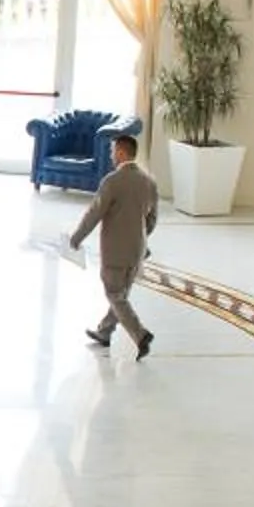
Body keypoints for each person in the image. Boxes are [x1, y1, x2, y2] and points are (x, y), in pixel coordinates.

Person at [70, 133, 158, 358]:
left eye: (112, 151)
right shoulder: (149, 182)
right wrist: (140, 238)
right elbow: (152, 219)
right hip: (137, 251)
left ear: (120, 152)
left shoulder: (112, 181)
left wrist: (76, 238)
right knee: (121, 295)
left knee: (114, 295)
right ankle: (105, 332)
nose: (111, 156)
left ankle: (140, 335)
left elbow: (94, 214)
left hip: (115, 252)